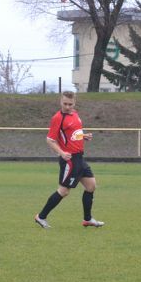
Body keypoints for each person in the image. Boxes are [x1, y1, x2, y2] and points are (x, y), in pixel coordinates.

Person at [33, 91, 104, 229]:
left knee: (91, 186)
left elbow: (71, 134)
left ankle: (87, 219)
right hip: (69, 160)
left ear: (74, 103)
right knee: (64, 191)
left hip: (79, 158)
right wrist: (62, 153)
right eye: (65, 103)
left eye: (70, 104)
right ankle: (41, 217)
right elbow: (50, 140)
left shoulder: (75, 114)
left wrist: (83, 136)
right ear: (61, 102)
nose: (67, 106)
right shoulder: (57, 118)